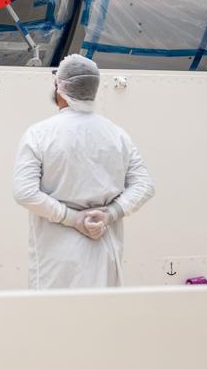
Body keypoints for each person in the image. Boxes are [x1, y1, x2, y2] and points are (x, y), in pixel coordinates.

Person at [12, 53, 155, 289]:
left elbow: (25, 192)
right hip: (105, 252)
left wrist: (72, 218)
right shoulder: (116, 135)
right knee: (102, 321)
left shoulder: (39, 134)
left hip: (56, 260)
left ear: (60, 87)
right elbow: (144, 185)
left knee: (57, 321)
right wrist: (109, 214)